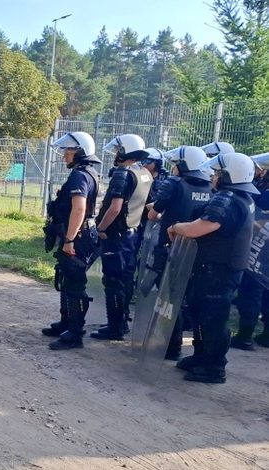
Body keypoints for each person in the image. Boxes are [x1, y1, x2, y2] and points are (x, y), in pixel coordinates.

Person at [169, 152, 257, 384]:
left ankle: (214, 367)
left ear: (229, 175)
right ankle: (201, 357)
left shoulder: (227, 199)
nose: (213, 176)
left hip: (219, 270)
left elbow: (199, 228)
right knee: (201, 313)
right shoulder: (242, 198)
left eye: (218, 173)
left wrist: (177, 226)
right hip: (218, 268)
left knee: (213, 319)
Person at [145, 146, 214, 360]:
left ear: (183, 165)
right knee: (186, 300)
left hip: (171, 246)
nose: (173, 168)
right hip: (197, 252)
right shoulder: (210, 186)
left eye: (176, 163)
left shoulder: (174, 184)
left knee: (168, 298)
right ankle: (187, 349)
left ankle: (170, 347)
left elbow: (154, 214)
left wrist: (153, 210)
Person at [41, 132, 101, 350]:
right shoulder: (88, 173)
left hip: (77, 237)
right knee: (66, 279)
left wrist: (69, 239)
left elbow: (80, 208)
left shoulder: (80, 176)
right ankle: (66, 324)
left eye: (69, 150)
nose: (65, 154)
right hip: (80, 235)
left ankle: (75, 334)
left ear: (80, 151)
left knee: (75, 285)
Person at [92, 134, 153, 340]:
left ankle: (115, 327)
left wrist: (99, 228)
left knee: (113, 281)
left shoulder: (123, 174)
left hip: (116, 235)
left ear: (126, 151)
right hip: (132, 234)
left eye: (119, 150)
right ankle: (122, 322)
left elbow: (115, 208)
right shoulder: (144, 172)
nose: (116, 154)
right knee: (126, 280)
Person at [231, 159, 269, 350]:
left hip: (261, 248)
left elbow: (260, 219)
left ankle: (245, 336)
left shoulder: (266, 195)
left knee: (251, 291)